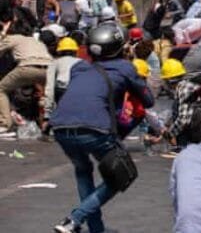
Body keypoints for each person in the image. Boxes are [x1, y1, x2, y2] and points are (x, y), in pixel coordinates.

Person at [50, 24, 154, 233]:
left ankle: (95, 228)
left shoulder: (79, 67)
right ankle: (74, 219)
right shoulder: (125, 67)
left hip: (61, 127)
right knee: (121, 176)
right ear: (118, 46)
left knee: (83, 171)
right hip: (94, 129)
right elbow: (148, 100)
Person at [0, 21, 52, 133]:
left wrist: (3, 34)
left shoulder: (13, 38)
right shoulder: (36, 41)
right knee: (48, 95)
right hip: (48, 70)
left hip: (27, 67)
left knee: (1, 89)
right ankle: (50, 123)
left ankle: (5, 123)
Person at [42, 37, 82, 123]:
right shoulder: (82, 62)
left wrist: (47, 113)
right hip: (79, 91)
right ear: (75, 51)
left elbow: (49, 88)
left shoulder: (55, 63)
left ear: (59, 51)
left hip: (62, 91)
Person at [162, 59, 200, 150]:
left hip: (193, 134)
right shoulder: (185, 86)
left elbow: (183, 120)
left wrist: (170, 134)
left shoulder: (185, 88)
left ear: (168, 80)